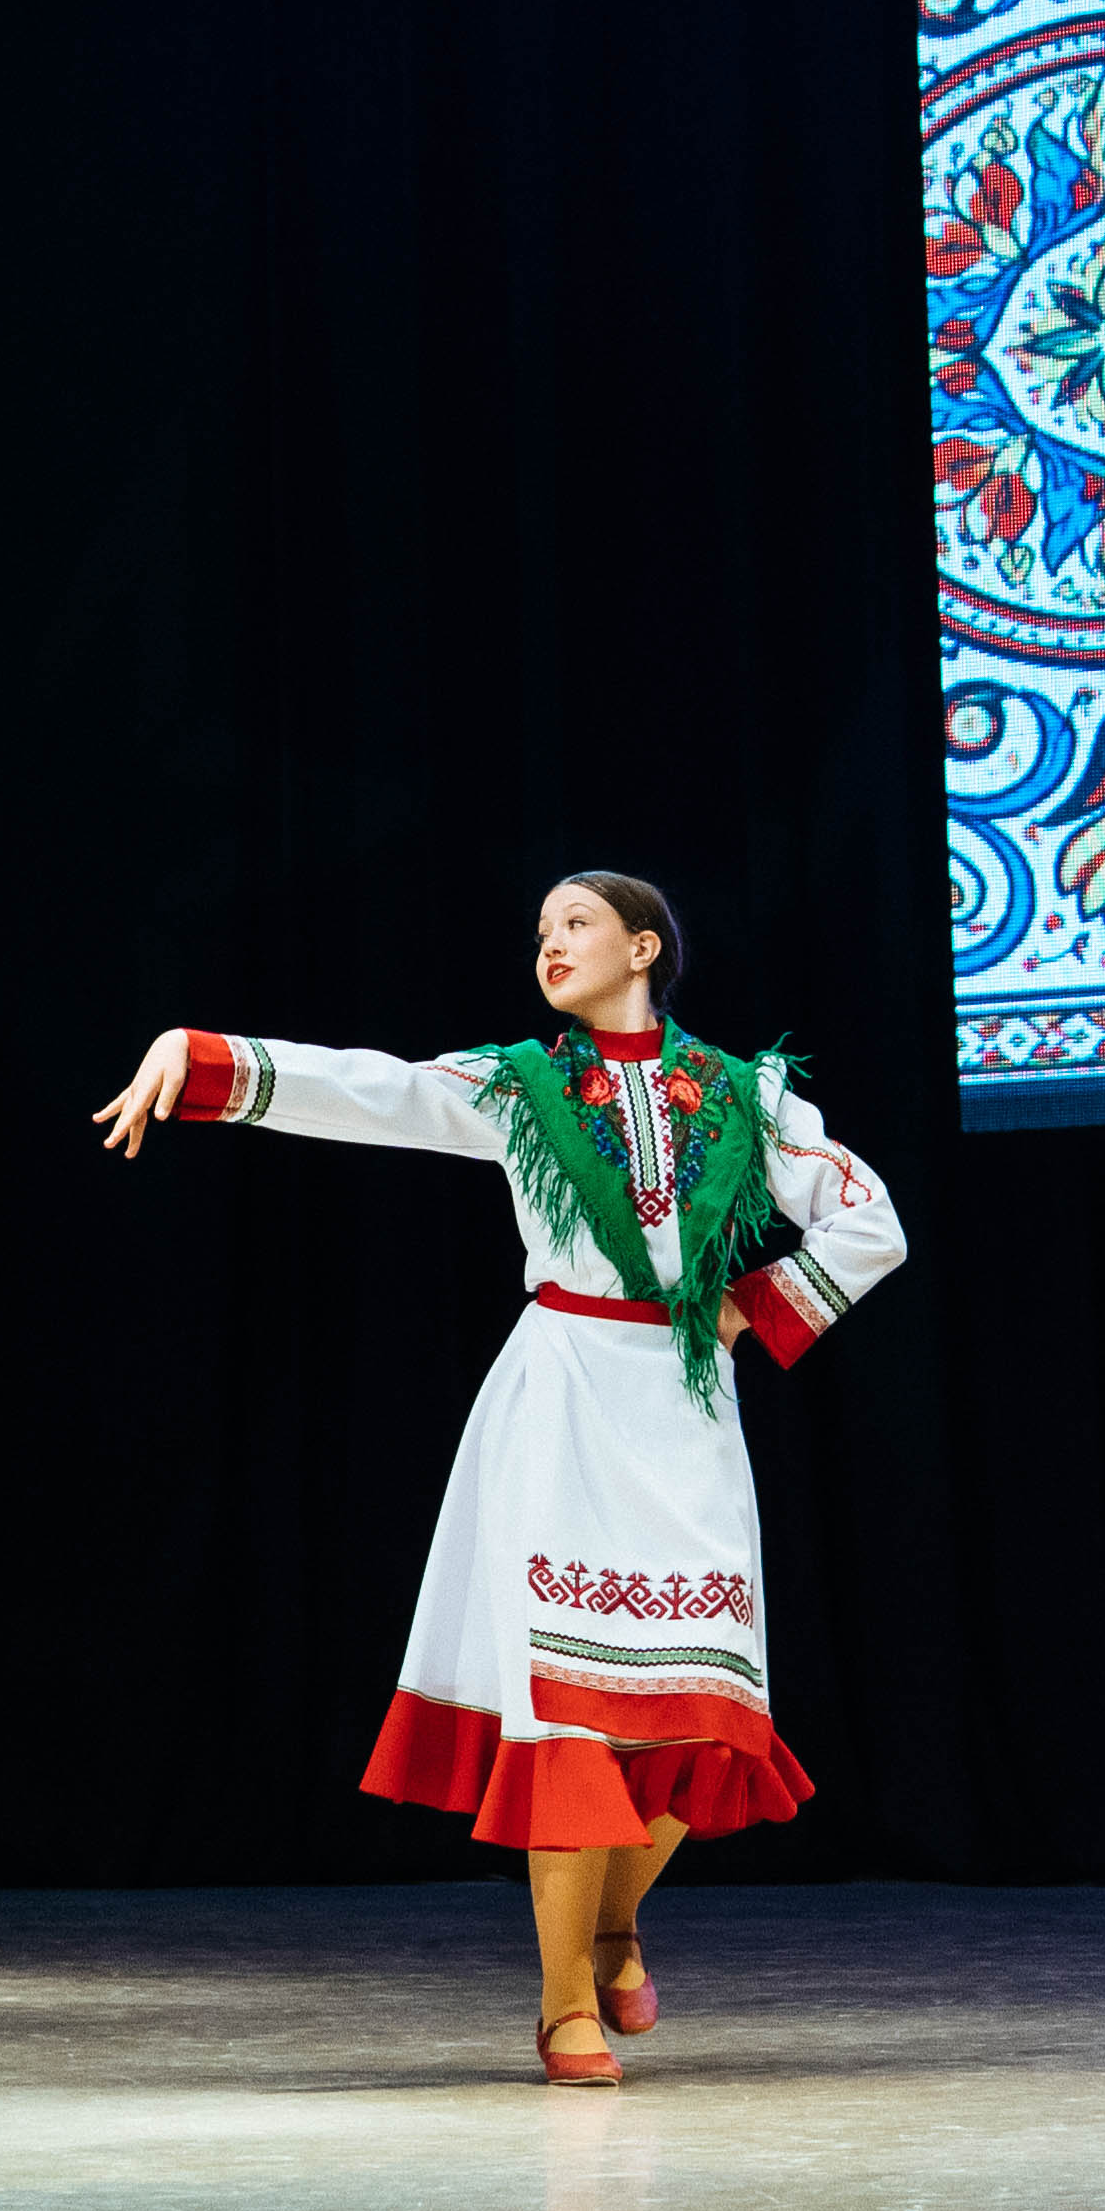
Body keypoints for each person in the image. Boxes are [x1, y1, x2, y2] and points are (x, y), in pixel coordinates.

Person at [91, 872, 905, 2085]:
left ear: (644, 947)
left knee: (707, 1711)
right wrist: (205, 1058)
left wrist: (756, 1305)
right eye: (540, 933)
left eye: (576, 925)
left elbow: (870, 1217)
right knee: (568, 1714)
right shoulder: (523, 1087)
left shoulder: (748, 1096)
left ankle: (615, 1924)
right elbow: (381, 1090)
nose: (551, 946)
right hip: (561, 1395)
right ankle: (564, 2002)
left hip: (685, 1403)